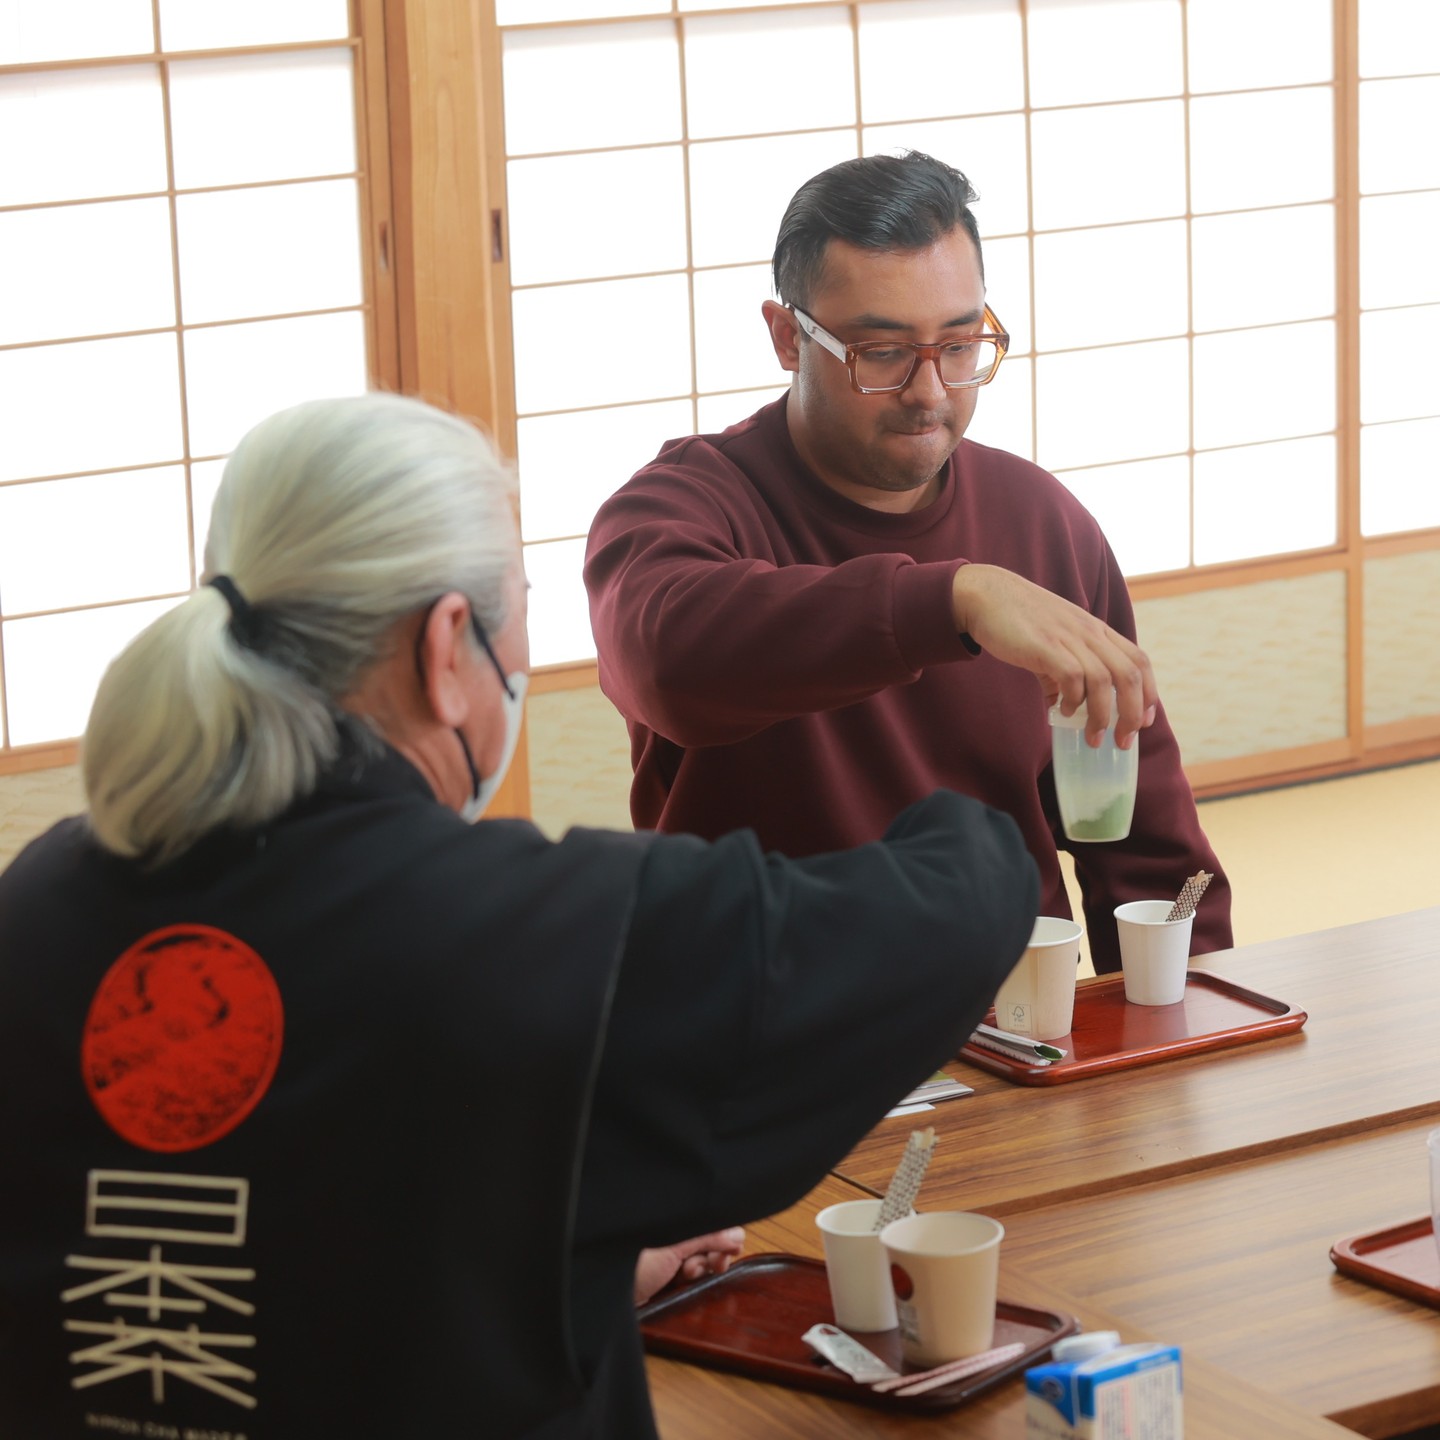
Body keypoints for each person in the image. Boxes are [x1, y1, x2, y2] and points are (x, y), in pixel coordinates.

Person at [0, 392, 1041, 1440]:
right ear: (448, 644)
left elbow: (297, 1232)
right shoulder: (526, 933)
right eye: (520, 606)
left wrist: (569, 1255)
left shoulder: (36, 906)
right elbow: (962, 900)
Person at [584, 150, 1230, 974]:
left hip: (1015, 1019)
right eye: (882, 353)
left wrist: (1187, 1013)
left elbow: (1150, 848)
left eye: (960, 345)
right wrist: (953, 599)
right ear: (787, 336)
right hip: (764, 1030)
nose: (931, 392)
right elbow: (669, 662)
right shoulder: (684, 505)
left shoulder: (1044, 521)